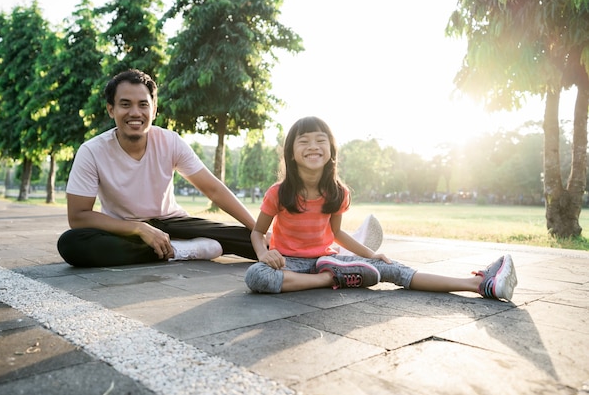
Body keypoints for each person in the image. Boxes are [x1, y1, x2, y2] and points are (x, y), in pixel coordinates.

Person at [244, 116, 518, 301]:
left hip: (325, 259)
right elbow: (258, 233)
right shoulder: (278, 193)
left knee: (391, 269)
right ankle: (332, 280)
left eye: (320, 140)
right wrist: (264, 255)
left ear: (331, 150)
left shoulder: (337, 192)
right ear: (291, 152)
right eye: (303, 141)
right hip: (288, 263)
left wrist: (373, 255)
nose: (313, 146)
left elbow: (337, 234)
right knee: (257, 276)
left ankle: (480, 284)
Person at [57, 69, 258, 267]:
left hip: (173, 223)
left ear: (153, 110)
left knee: (253, 239)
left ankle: (170, 247)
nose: (135, 113)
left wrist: (257, 230)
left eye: (143, 104)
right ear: (111, 109)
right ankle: (180, 251)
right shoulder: (92, 151)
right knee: (71, 243)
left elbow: (213, 189)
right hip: (125, 230)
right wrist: (138, 228)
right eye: (125, 104)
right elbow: (78, 216)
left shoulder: (170, 141)